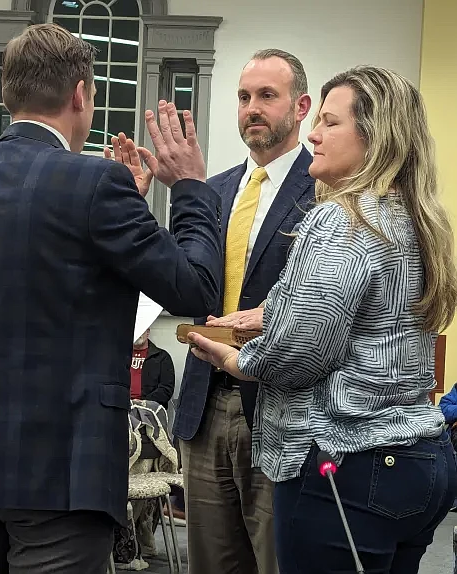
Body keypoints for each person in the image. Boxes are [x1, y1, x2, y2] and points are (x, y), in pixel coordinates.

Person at [0, 23, 222, 574]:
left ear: (9, 92)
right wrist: (192, 190)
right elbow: (195, 286)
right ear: (80, 94)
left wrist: (122, 205)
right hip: (60, 469)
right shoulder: (97, 186)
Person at [188, 65, 457, 574]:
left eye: (331, 123)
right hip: (421, 458)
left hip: (346, 465)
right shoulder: (417, 217)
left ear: (376, 137)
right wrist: (273, 314)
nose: (312, 133)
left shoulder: (343, 217)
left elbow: (296, 357)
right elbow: (372, 314)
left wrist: (235, 357)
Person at [173, 49, 315, 574]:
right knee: (211, 563)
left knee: (278, 561)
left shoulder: (325, 190)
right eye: (243, 97)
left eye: (267, 96)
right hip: (205, 403)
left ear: (300, 106)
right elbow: (186, 289)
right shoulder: (212, 192)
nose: (252, 109)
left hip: (281, 408)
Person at [130, 329, 175, 409]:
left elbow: (166, 389)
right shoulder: (119, 356)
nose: (137, 333)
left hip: (149, 410)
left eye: (141, 329)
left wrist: (143, 403)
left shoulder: (162, 357)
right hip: (121, 407)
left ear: (147, 332)